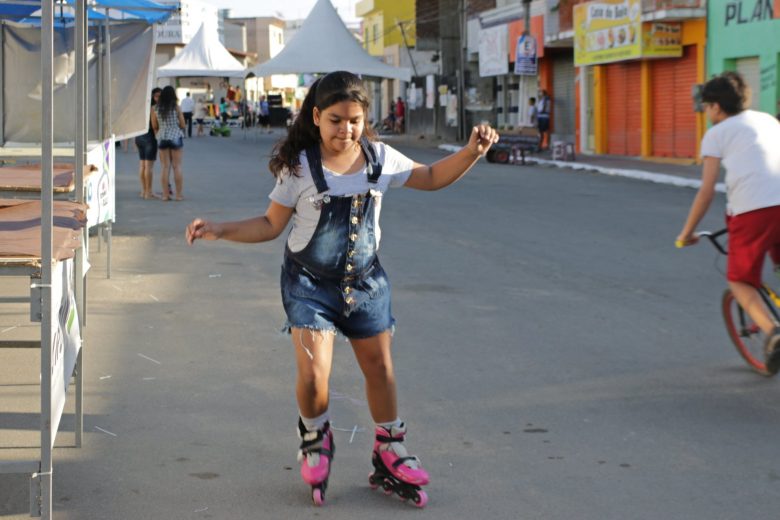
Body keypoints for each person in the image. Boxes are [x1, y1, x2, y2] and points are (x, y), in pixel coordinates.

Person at [185, 71, 498, 506]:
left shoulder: (380, 158)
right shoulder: (300, 169)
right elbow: (270, 225)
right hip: (309, 284)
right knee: (315, 375)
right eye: (335, 120)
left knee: (381, 370)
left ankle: (390, 447)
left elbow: (428, 176)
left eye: (353, 119)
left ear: (364, 117)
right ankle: (315, 436)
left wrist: (470, 153)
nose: (345, 129)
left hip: (365, 282)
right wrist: (220, 228)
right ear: (316, 117)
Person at [676, 71, 780, 373]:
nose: (706, 112)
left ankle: (773, 332)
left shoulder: (716, 134)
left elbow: (706, 192)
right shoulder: (767, 120)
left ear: (716, 107)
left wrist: (687, 232)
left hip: (754, 211)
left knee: (739, 280)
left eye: (706, 107)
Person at [151, 85, 186, 201]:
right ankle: (178, 195)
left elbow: (154, 125)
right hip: (176, 136)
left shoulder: (155, 108)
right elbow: (183, 124)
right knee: (177, 166)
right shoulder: (176, 107)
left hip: (162, 137)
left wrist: (159, 133)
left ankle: (165, 195)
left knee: (165, 167)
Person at [134, 87, 161, 199]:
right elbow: (155, 125)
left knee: (142, 165)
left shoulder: (141, 108)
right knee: (148, 167)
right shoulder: (154, 108)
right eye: (157, 96)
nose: (158, 98)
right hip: (150, 137)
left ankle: (143, 191)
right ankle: (148, 192)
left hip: (139, 136)